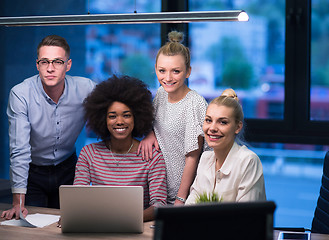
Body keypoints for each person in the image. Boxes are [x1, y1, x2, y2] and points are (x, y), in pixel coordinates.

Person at [1, 35, 96, 220]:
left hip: (68, 169)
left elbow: (118, 108)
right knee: (31, 227)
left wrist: (148, 133)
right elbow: (19, 149)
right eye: (44, 62)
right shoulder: (20, 94)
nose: (50, 68)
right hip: (33, 174)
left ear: (68, 65)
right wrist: (18, 203)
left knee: (71, 224)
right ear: (37, 65)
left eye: (57, 62)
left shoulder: (86, 88)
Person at [73, 75, 167, 222]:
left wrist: (125, 220)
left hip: (136, 227)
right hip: (98, 226)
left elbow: (159, 205)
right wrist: (72, 214)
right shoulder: (89, 153)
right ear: (103, 119)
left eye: (126, 115)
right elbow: (77, 198)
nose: (120, 122)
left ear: (137, 117)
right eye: (112, 116)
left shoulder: (152, 156)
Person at [137, 31, 208, 205]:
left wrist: (180, 198)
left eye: (176, 71)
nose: (167, 78)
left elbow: (193, 157)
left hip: (187, 194)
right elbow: (155, 123)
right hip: (159, 190)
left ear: (188, 72)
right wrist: (150, 134)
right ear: (155, 70)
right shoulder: (161, 94)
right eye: (162, 71)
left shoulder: (195, 103)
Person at [185, 89, 266, 204]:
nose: (212, 128)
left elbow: (246, 217)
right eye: (208, 120)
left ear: (238, 127)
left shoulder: (248, 161)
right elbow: (190, 207)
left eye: (222, 122)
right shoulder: (205, 158)